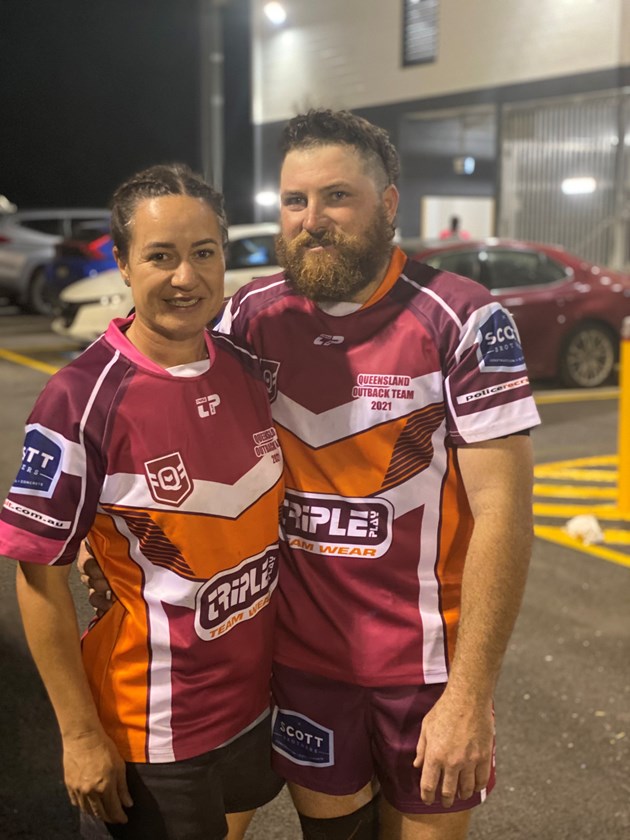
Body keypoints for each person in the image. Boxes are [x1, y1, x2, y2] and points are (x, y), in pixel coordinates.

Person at [85, 109, 541, 840]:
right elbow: (157, 412)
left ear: (388, 203)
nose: (311, 219)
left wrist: (471, 694)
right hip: (301, 663)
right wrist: (97, 531)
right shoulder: (248, 315)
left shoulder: (462, 319)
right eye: (294, 201)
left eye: (337, 197)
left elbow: (505, 517)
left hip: (426, 671)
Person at [0, 164, 284, 840]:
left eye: (203, 253)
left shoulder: (247, 369)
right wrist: (78, 736)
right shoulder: (81, 397)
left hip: (252, 706)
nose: (185, 277)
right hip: (150, 732)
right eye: (160, 256)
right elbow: (38, 578)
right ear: (124, 264)